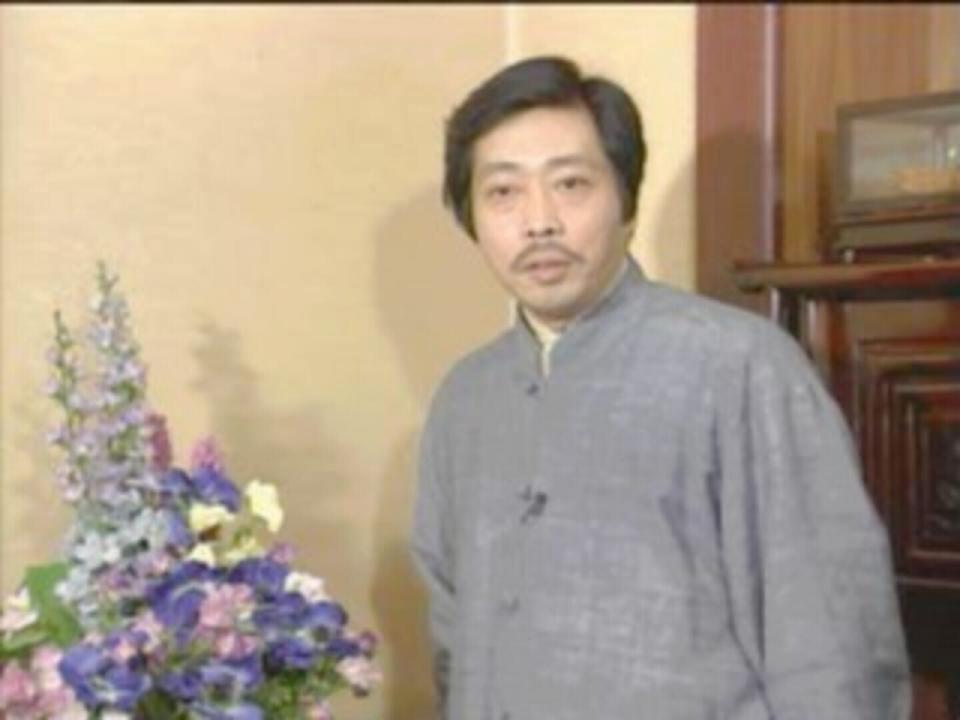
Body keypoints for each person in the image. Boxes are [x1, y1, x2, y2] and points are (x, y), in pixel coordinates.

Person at [410, 55, 911, 720]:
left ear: (626, 200)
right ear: (471, 217)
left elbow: (835, 646)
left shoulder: (742, 366)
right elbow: (453, 633)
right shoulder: (464, 399)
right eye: (503, 192)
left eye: (570, 184)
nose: (539, 222)